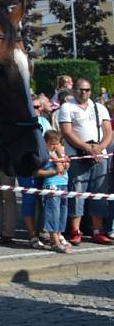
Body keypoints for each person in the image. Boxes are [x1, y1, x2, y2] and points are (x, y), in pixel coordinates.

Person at [59, 78, 112, 246]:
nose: (84, 93)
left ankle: (98, 229)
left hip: (99, 156)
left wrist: (99, 147)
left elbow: (108, 131)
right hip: (78, 155)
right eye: (81, 89)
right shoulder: (67, 107)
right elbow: (67, 132)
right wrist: (87, 148)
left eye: (87, 90)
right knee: (77, 191)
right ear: (75, 90)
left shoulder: (99, 107)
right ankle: (75, 230)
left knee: (99, 192)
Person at [35, 131, 72, 253]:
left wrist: (64, 162)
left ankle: (59, 236)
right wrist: (54, 171)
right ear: (45, 143)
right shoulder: (43, 155)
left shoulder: (60, 152)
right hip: (52, 185)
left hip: (63, 184)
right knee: (53, 213)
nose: (54, 146)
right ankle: (54, 241)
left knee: (62, 212)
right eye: (52, 144)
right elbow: (37, 172)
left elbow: (66, 169)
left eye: (56, 144)